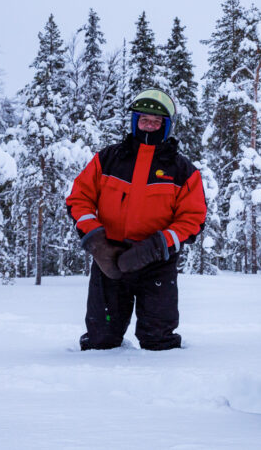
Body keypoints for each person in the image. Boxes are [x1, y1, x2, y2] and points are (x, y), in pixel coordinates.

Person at [66, 88, 206, 351]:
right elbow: (79, 198)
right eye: (144, 120)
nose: (149, 126)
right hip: (110, 260)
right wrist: (98, 242)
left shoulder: (183, 171)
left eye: (156, 122)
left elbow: (193, 218)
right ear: (134, 122)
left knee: (159, 342)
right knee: (100, 340)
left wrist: (155, 247)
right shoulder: (107, 159)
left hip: (156, 264)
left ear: (166, 127)